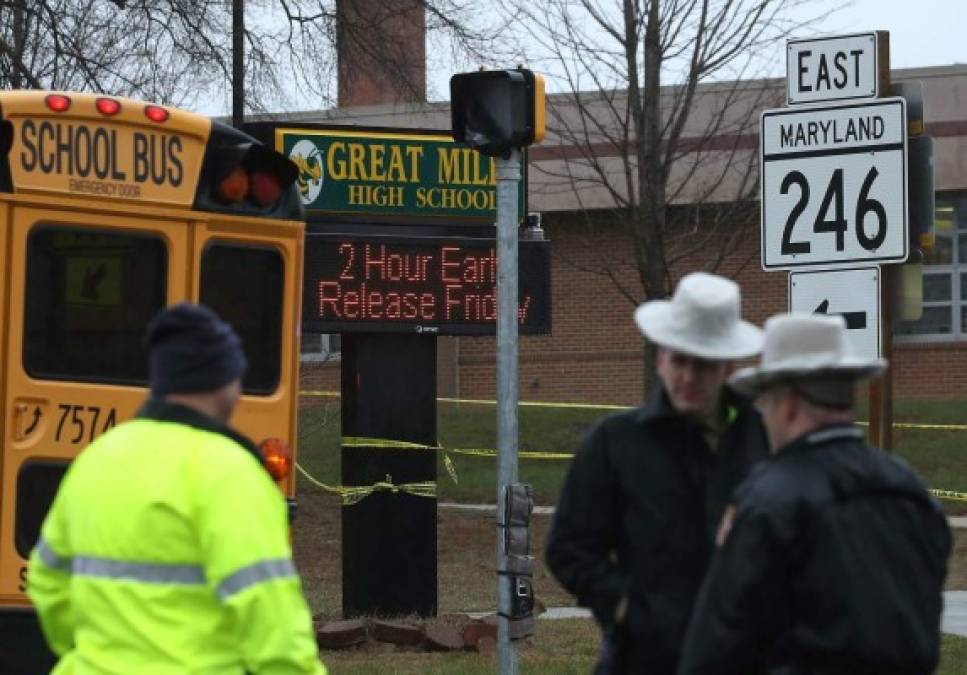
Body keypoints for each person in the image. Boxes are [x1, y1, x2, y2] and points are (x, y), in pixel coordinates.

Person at [27, 303, 326, 675]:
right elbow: (269, 611)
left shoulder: (96, 459)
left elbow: (46, 577)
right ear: (226, 382)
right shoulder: (228, 472)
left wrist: (92, 649)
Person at [678, 313, 951, 675]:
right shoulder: (908, 488)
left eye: (766, 405)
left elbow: (719, 640)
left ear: (788, 404)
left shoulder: (766, 500)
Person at [545, 272, 769, 674]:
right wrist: (626, 607)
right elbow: (569, 547)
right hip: (646, 660)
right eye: (680, 359)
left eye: (703, 365)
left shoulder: (764, 440)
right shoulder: (615, 442)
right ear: (662, 357)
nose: (688, 377)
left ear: (729, 367)